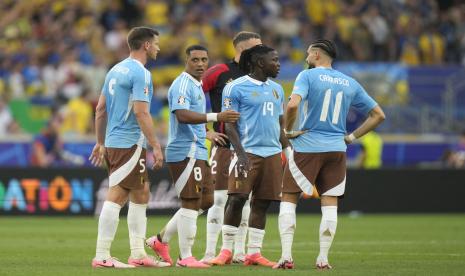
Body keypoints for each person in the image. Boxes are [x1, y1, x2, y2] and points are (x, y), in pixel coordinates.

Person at [274, 39, 385, 270]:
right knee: (330, 203)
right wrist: (351, 137)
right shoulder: (349, 82)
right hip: (336, 149)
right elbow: (378, 115)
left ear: (316, 55)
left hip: (307, 146)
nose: (305, 58)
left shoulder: (307, 76)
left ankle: (286, 257)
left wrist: (287, 131)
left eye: (307, 54)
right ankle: (323, 259)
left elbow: (293, 105)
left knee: (289, 197)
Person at [146, 45, 240, 268]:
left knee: (206, 201)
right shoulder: (182, 84)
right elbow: (182, 115)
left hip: (198, 149)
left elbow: (192, 117)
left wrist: (207, 132)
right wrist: (217, 115)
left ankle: (161, 240)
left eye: (204, 60)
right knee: (190, 202)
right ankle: (185, 257)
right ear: (186, 61)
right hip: (184, 151)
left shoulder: (197, 85)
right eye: (195, 60)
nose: (200, 64)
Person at [89, 26, 168, 269]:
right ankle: (102, 255)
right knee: (117, 195)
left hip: (115, 141)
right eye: (155, 43)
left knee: (142, 190)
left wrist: (100, 142)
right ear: (146, 45)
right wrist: (155, 145)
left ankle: (137, 253)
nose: (157, 47)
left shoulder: (115, 70)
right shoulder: (140, 73)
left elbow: (100, 109)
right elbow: (141, 112)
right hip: (129, 143)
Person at [210, 44, 290, 267]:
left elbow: (280, 123)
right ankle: (226, 250)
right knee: (237, 199)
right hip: (247, 152)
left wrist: (289, 154)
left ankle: (254, 252)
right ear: (259, 62)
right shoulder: (235, 88)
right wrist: (240, 153)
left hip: (272, 154)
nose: (278, 64)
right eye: (274, 60)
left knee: (263, 203)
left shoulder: (277, 89)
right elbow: (230, 125)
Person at [200, 31, 262, 264]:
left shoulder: (259, 74)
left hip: (251, 146)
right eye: (257, 47)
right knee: (218, 200)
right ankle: (209, 252)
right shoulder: (220, 72)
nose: (261, 51)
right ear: (243, 49)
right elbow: (192, 94)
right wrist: (206, 130)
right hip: (225, 145)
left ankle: (239, 252)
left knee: (244, 199)